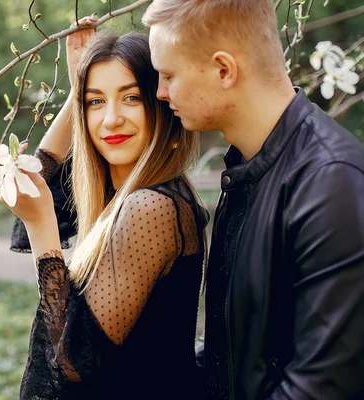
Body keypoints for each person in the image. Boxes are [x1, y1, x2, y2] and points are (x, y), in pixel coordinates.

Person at [142, 1, 364, 399]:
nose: (160, 92)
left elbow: (322, 387)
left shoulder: (332, 185)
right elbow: (240, 353)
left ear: (224, 69)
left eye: (169, 74)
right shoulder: (246, 169)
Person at [2, 25, 209, 399]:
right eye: (96, 102)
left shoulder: (151, 207)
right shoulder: (122, 195)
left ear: (161, 104)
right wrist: (76, 93)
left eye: (130, 98)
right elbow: (42, 185)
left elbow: (69, 366)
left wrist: (41, 224)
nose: (110, 119)